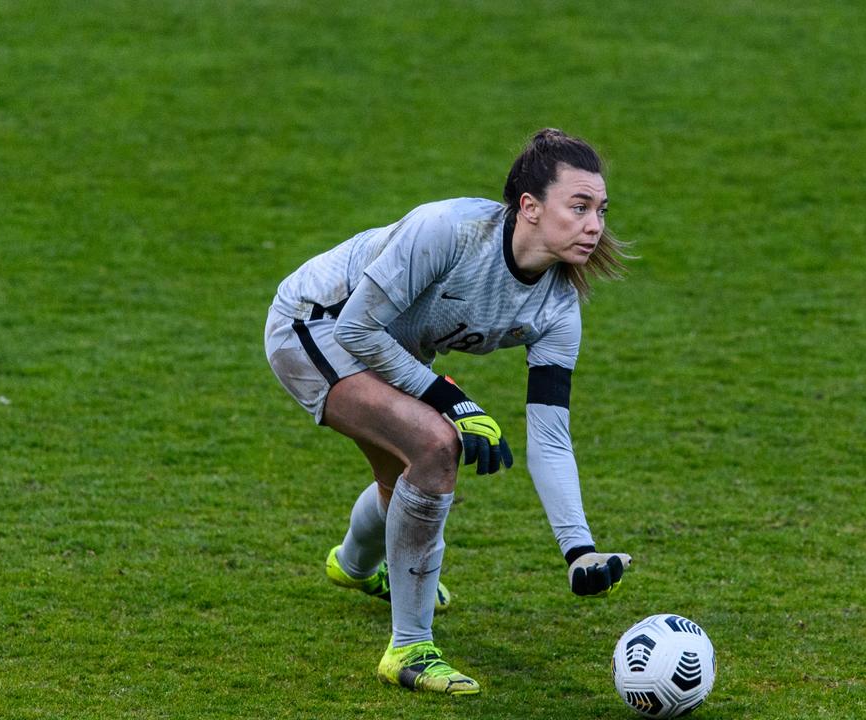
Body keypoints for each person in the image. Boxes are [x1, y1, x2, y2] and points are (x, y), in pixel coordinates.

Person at [263, 129, 634, 696]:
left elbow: (551, 440)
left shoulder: (559, 307)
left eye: (601, 210)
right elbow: (355, 326)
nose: (594, 225)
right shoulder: (449, 231)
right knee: (437, 445)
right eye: (579, 207)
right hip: (313, 325)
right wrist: (452, 400)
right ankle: (409, 650)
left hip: (386, 347)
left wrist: (578, 550)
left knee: (404, 482)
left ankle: (354, 566)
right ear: (530, 208)